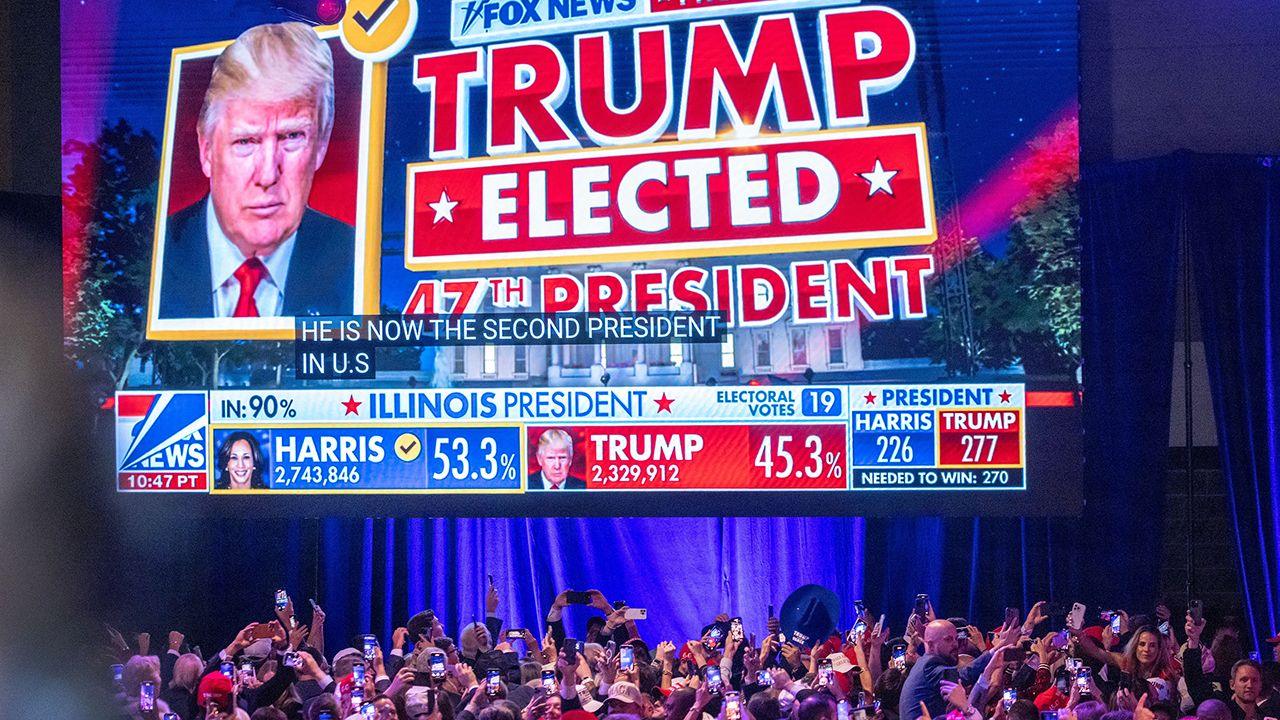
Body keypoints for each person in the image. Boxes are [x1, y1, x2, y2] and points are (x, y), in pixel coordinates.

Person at [157, 21, 355, 320]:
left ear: (321, 143)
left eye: (291, 137)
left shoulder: (357, 260)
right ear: (207, 149)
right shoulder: (150, 255)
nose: (267, 175)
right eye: (245, 141)